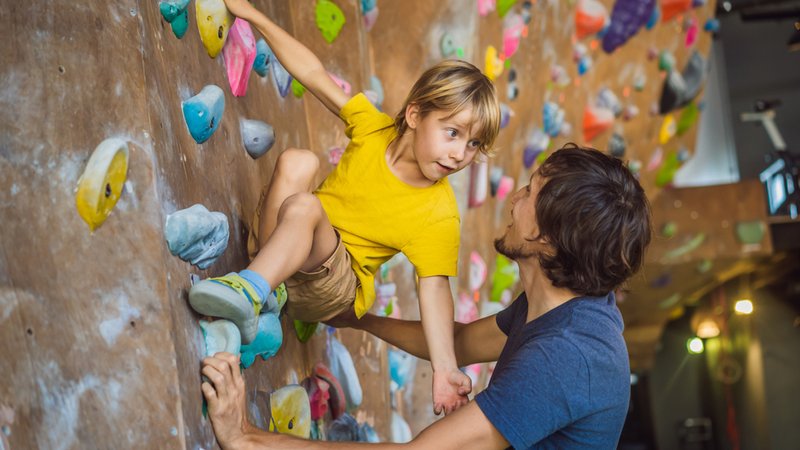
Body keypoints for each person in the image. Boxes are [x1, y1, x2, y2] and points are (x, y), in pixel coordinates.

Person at [201, 144, 653, 449]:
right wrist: (358, 318)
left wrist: (245, 437)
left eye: (529, 193)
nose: (515, 199)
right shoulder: (568, 303)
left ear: (547, 242)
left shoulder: (566, 360)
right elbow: (456, 345)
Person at [189, 0, 501, 416]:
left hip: (332, 287)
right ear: (414, 115)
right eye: (453, 133)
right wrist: (252, 15)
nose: (460, 153)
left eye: (473, 144)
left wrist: (444, 370)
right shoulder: (373, 130)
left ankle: (249, 291)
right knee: (298, 162)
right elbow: (314, 74)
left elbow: (436, 290)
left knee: (305, 206)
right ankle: (265, 283)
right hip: (287, 247)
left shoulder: (438, 212)